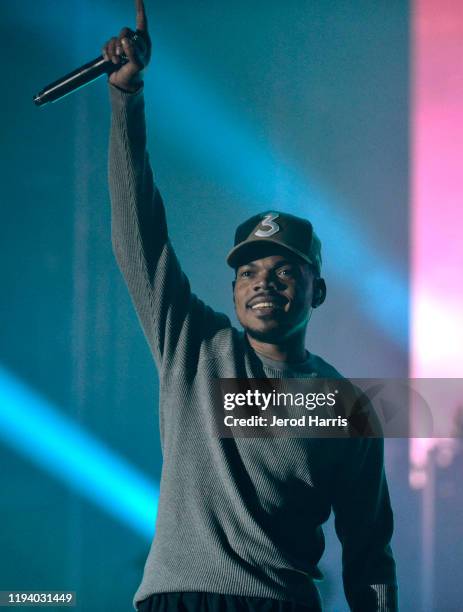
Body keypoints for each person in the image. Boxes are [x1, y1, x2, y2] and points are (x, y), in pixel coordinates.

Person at [104, 2, 398, 610]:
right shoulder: (194, 345)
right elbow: (140, 233)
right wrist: (126, 99)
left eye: (283, 269)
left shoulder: (345, 405)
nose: (263, 282)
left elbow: (369, 546)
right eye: (248, 271)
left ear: (316, 289)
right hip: (177, 597)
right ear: (234, 289)